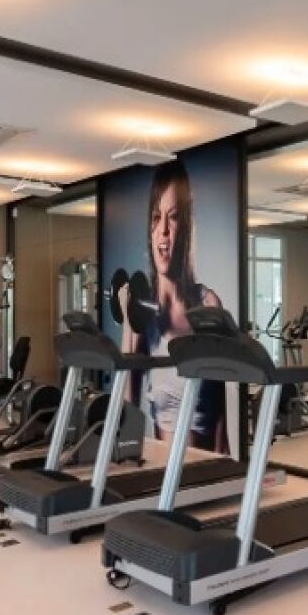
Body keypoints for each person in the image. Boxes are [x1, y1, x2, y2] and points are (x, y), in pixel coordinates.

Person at [119, 162, 229, 454]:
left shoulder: (209, 303)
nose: (164, 231)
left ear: (188, 226)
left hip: (206, 466)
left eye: (174, 217)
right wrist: (129, 324)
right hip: (164, 466)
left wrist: (229, 471)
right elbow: (128, 405)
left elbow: (220, 415)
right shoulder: (143, 311)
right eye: (156, 218)